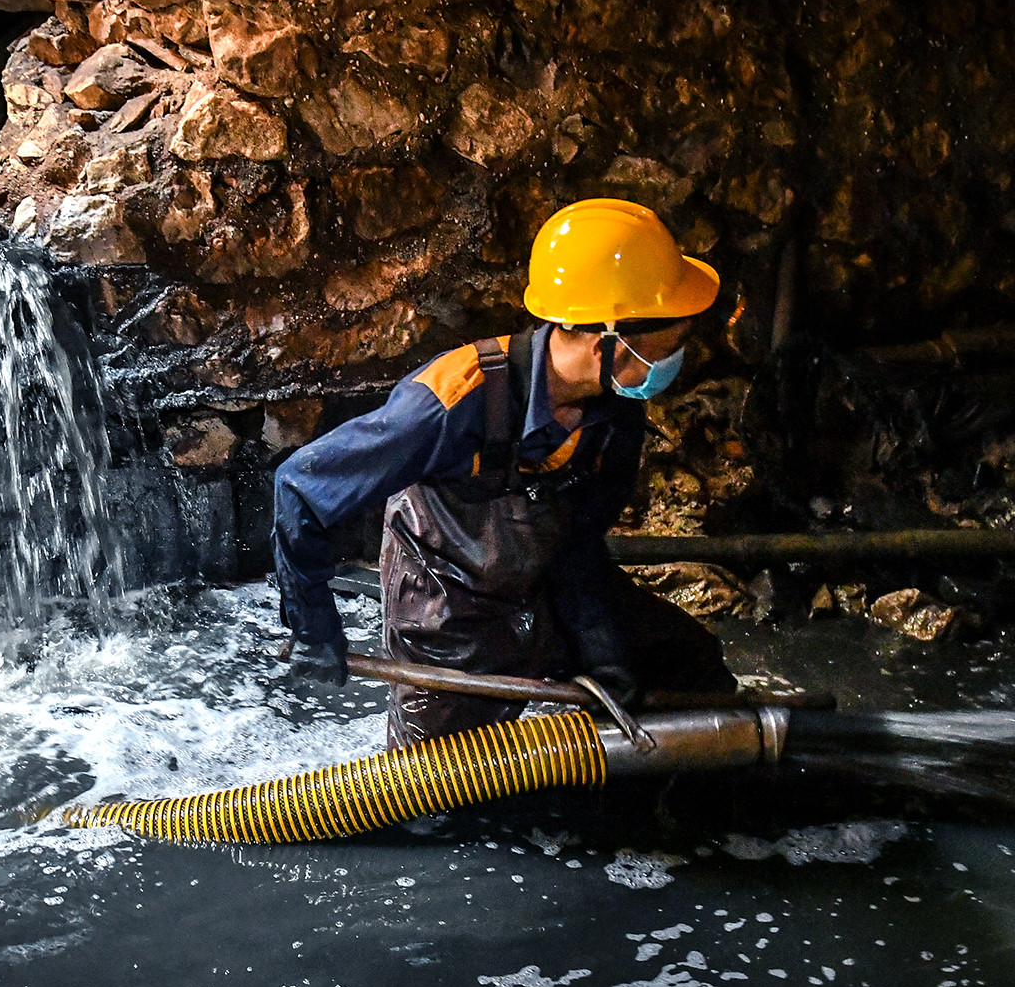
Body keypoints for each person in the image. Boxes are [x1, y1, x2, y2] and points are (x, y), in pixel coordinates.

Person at [273, 198, 737, 747]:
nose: (680, 354)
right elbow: (300, 487)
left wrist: (602, 649)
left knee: (692, 668)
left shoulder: (615, 413)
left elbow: (579, 541)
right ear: (605, 340)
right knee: (438, 791)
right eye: (673, 341)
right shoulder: (450, 400)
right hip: (449, 609)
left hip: (542, 586)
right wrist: (315, 631)